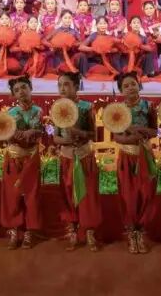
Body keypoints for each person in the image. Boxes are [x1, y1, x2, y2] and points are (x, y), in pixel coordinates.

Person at [53, 72, 102, 251]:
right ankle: (73, 231)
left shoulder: (86, 107)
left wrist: (79, 133)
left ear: (76, 86)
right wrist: (67, 140)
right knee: (68, 194)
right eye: (60, 85)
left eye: (66, 84)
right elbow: (56, 137)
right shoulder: (57, 108)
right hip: (67, 157)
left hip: (84, 156)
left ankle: (89, 232)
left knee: (87, 195)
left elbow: (94, 135)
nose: (62, 88)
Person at [111, 72, 158, 254]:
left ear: (139, 85)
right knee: (128, 196)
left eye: (133, 84)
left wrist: (140, 129)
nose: (130, 88)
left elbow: (154, 131)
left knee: (146, 193)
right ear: (121, 90)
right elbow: (117, 136)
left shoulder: (148, 106)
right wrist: (129, 139)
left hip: (145, 155)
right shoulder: (118, 110)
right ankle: (131, 232)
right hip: (127, 156)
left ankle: (141, 231)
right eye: (126, 86)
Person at [1, 76, 45, 250]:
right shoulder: (10, 113)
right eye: (17, 90)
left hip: (31, 157)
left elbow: (42, 131)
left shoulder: (39, 111)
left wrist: (33, 132)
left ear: (30, 88)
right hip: (14, 157)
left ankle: (29, 232)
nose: (21, 92)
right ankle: (14, 231)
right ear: (13, 95)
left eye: (24, 88)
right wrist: (13, 135)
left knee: (31, 196)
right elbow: (4, 135)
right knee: (12, 195)